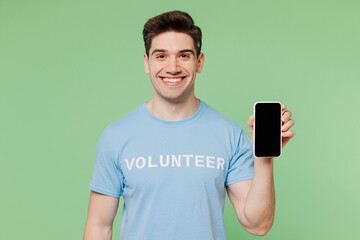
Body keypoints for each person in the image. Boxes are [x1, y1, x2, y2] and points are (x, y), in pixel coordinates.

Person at [83, 10, 295, 240]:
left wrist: (263, 158)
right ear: (147, 63)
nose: (172, 67)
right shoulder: (116, 136)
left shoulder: (229, 135)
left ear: (199, 62)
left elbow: (258, 225)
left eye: (184, 55)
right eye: (161, 56)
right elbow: (99, 226)